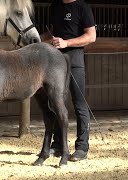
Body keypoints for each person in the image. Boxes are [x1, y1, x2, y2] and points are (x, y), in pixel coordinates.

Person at [41, 0, 96, 161]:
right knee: (56, 102)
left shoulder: (83, 7)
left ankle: (82, 147)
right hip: (56, 61)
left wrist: (66, 42)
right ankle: (57, 144)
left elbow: (91, 36)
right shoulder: (55, 6)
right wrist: (37, 38)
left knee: (79, 103)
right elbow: (52, 31)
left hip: (75, 59)